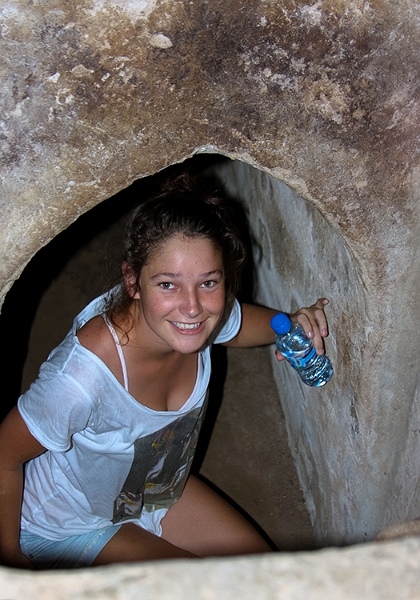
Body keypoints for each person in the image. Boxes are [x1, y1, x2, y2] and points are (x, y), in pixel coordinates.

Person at [0, 174, 330, 570]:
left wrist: (288, 324)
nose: (192, 308)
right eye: (168, 285)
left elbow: (238, 325)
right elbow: (4, 454)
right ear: (132, 281)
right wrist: (11, 562)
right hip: (63, 525)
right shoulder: (82, 379)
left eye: (209, 282)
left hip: (150, 489)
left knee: (272, 576)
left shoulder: (205, 315)